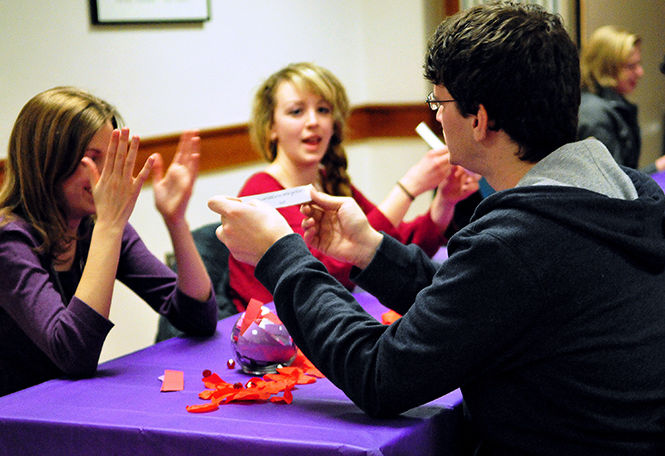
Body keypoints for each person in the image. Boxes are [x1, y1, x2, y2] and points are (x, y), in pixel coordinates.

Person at [208, 2, 665, 454]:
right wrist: (371, 249)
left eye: (439, 102)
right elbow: (477, 303)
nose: (437, 116)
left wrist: (282, 255)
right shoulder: (625, 191)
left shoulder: (523, 239)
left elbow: (379, 374)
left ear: (479, 119)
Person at [0, 87, 217, 396]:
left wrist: (176, 220)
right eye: (92, 159)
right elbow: (73, 354)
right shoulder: (10, 239)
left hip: (65, 405)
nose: (108, 176)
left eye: (113, 158)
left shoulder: (97, 226)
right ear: (46, 160)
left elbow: (198, 318)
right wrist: (109, 227)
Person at [229, 62, 479, 311]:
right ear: (271, 127)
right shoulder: (261, 191)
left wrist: (445, 201)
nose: (313, 121)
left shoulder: (330, 180)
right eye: (296, 112)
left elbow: (394, 249)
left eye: (323, 110)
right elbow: (325, 274)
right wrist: (407, 188)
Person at [578, 25, 665, 173]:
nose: (640, 72)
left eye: (639, 64)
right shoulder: (595, 116)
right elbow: (612, 186)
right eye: (631, 66)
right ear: (606, 68)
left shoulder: (607, 107)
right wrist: (657, 167)